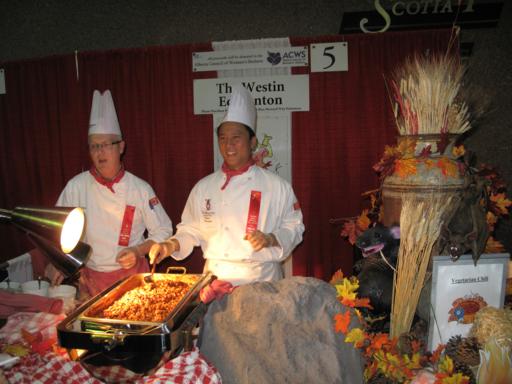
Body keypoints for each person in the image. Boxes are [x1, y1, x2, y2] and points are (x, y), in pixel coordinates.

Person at [149, 85, 304, 286]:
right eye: (223, 138)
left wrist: (272, 238)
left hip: (261, 280)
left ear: (253, 142)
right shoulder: (203, 187)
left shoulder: (277, 186)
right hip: (215, 280)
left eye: (236, 138)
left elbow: (295, 226)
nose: (228, 145)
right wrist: (169, 245)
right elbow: (190, 230)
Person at [45, 90, 173, 297]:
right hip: (89, 280)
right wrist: (57, 262)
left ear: (121, 147)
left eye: (106, 145)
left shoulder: (140, 188)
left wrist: (137, 251)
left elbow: (164, 230)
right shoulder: (76, 187)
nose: (99, 152)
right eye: (94, 146)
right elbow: (55, 230)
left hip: (133, 281)